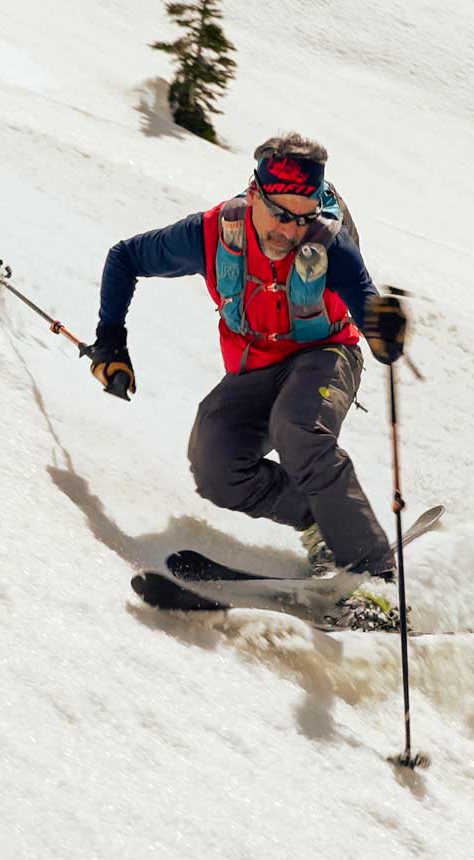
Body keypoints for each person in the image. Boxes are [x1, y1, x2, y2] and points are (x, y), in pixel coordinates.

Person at [86, 133, 410, 580]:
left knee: (298, 428)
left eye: (303, 218)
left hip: (325, 356)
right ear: (254, 193)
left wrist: (384, 331)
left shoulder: (330, 246)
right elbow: (125, 258)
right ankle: (319, 523)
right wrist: (111, 341)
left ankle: (374, 574)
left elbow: (370, 315)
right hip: (255, 368)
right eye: (280, 214)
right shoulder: (212, 234)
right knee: (215, 464)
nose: (289, 231)